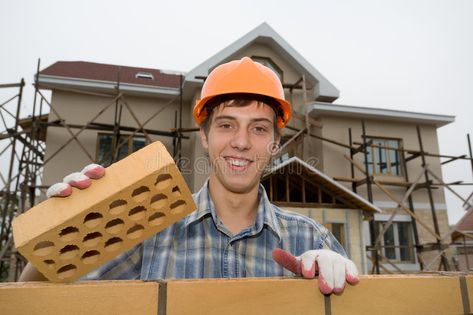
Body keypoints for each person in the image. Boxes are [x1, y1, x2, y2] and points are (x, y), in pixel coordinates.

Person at [19, 57, 359, 294]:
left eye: (258, 129)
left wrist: (335, 284)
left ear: (274, 144)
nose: (240, 142)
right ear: (205, 136)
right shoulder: (149, 230)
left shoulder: (312, 240)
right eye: (227, 125)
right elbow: (33, 296)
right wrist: (62, 232)